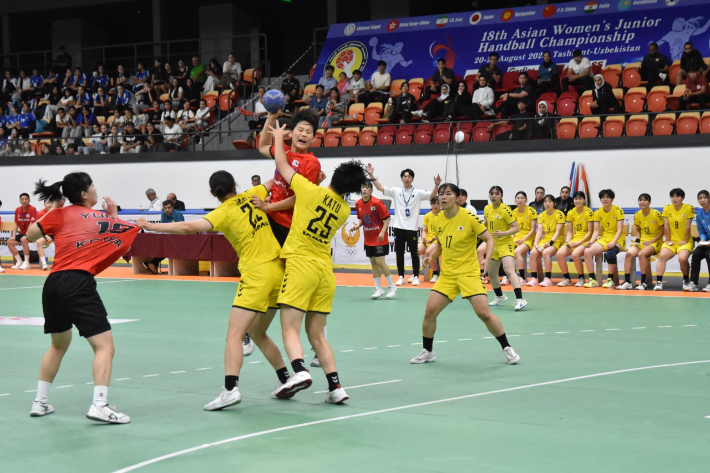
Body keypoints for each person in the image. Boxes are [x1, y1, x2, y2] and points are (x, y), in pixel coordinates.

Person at [138, 171, 295, 409]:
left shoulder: (222, 212)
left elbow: (189, 227)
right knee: (257, 332)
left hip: (257, 274)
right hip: (279, 271)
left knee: (234, 335)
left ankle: (230, 390)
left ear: (212, 193)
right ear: (235, 185)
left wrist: (150, 225)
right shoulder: (253, 193)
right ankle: (285, 379)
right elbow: (277, 177)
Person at [268, 121, 371, 405]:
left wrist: (278, 138)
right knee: (317, 336)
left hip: (301, 265)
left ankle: (299, 371)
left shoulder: (309, 190)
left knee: (289, 328)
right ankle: (335, 387)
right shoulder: (344, 209)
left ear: (333, 176)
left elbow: (281, 163)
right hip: (325, 272)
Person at [27, 172, 139, 423]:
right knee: (104, 346)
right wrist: (113, 216)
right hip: (78, 284)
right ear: (84, 194)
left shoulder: (58, 214)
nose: (96, 189)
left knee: (57, 345)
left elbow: (31, 235)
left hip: (53, 285)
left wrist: (53, 210)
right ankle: (99, 405)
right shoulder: (103, 218)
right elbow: (127, 244)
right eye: (93, 186)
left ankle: (40, 402)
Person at [411, 182, 520, 365]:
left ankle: (507, 348)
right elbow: (441, 244)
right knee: (429, 312)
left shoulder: (469, 217)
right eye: (441, 194)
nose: (443, 197)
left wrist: (487, 258)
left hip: (468, 273)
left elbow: (489, 238)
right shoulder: (437, 220)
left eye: (448, 194)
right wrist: (431, 256)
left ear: (457, 198)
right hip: (448, 275)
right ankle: (427, 351)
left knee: (484, 313)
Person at [255, 108, 324, 365]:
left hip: (291, 228)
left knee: (298, 287)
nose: (304, 134)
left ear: (314, 138)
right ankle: (253, 330)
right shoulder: (283, 151)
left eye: (309, 131)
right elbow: (262, 145)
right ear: (292, 132)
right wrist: (271, 118)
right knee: (265, 276)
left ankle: (317, 343)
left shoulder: (311, 163)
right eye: (300, 129)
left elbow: (299, 198)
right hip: (271, 223)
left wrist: (268, 207)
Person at [367, 164, 438, 286]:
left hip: (412, 229)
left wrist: (436, 185)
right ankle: (401, 276)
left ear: (412, 179)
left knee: (414, 253)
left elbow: (432, 195)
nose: (407, 178)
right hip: (398, 228)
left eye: (409, 176)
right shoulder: (396, 191)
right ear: (401, 179)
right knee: (399, 253)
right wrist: (371, 174)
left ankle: (416, 276)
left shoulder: (418, 193)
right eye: (405, 176)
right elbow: (379, 187)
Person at [484, 187, 528, 310]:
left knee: (509, 271)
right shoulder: (487, 208)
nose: (494, 196)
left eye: (496, 194)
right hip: (493, 245)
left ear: (501, 196)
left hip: (505, 244)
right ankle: (500, 296)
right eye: (492, 194)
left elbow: (516, 228)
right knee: (491, 273)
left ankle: (520, 299)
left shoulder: (506, 210)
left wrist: (503, 233)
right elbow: (486, 223)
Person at [353, 182, 396, 299]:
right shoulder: (358, 203)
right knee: (373, 263)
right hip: (368, 238)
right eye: (363, 187)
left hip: (379, 238)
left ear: (371, 190)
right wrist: (357, 226)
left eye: (367, 188)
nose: (364, 190)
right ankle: (378, 288)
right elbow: (361, 219)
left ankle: (392, 286)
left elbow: (387, 218)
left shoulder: (377, 203)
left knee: (380, 262)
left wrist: (382, 232)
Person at [619, 194, 664, 290]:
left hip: (655, 241)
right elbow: (638, 230)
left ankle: (644, 282)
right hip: (643, 241)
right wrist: (638, 240)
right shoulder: (637, 214)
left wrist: (651, 241)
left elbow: (662, 231)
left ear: (649, 202)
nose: (642, 202)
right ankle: (627, 281)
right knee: (629, 254)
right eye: (640, 200)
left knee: (642, 254)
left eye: (645, 200)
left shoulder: (656, 214)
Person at [582, 189, 625, 289]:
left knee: (610, 253)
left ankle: (610, 280)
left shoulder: (618, 211)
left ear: (612, 199)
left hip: (617, 239)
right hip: (604, 238)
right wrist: (591, 241)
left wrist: (613, 242)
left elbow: (620, 230)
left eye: (608, 197)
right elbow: (596, 231)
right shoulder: (598, 212)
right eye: (603, 197)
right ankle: (592, 280)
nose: (605, 199)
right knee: (587, 251)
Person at [654, 188, 695, 291]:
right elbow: (666, 226)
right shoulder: (667, 208)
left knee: (682, 258)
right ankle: (658, 282)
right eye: (672, 197)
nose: (674, 199)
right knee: (662, 256)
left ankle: (686, 280)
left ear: (682, 198)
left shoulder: (688, 208)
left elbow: (688, 226)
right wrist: (667, 240)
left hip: (685, 241)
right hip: (671, 242)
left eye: (677, 196)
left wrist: (685, 240)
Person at [556, 191, 594, 287]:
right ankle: (567, 278)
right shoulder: (570, 212)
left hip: (586, 240)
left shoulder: (589, 212)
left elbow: (590, 232)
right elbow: (569, 231)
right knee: (560, 253)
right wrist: (568, 241)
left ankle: (581, 278)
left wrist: (579, 243)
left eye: (580, 199)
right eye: (576, 199)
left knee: (575, 254)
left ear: (584, 200)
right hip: (574, 240)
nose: (578, 201)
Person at [528, 195, 565, 287]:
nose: (547, 204)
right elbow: (539, 231)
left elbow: (558, 232)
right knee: (533, 253)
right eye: (545, 202)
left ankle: (548, 279)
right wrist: (536, 243)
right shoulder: (541, 215)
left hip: (557, 240)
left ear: (554, 203)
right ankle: (534, 278)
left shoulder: (559, 214)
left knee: (546, 253)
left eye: (549, 201)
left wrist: (551, 243)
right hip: (545, 240)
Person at [8, 193, 42, 270]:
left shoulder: (32, 209)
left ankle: (26, 262)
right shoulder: (17, 210)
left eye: (26, 199)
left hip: (32, 233)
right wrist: (13, 236)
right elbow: (16, 223)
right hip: (22, 233)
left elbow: (32, 223)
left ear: (29, 200)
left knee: (24, 240)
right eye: (22, 199)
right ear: (20, 200)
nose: (24, 201)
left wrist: (27, 235)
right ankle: (19, 261)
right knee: (9, 242)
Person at [512, 191, 538, 285]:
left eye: (522, 198)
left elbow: (533, 230)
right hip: (516, 237)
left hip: (528, 238)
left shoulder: (531, 211)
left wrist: (523, 240)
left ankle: (522, 278)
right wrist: (511, 239)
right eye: (518, 198)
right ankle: (507, 276)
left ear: (526, 200)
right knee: (506, 250)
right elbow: (512, 229)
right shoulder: (513, 212)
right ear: (515, 200)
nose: (520, 200)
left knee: (517, 252)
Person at [689, 190, 710, 292]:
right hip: (707, 241)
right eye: (700, 198)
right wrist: (703, 239)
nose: (702, 200)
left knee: (709, 254)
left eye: (705, 198)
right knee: (696, 253)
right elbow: (701, 231)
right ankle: (693, 282)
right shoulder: (699, 215)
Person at [419, 196, 441, 282]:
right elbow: (424, 230)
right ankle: (415, 274)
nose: (436, 205)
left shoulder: (444, 215)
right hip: (427, 240)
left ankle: (435, 274)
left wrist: (434, 238)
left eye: (438, 204)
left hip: (437, 240)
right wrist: (424, 238)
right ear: (431, 204)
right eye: (434, 204)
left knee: (429, 252)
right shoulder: (427, 215)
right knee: (416, 250)